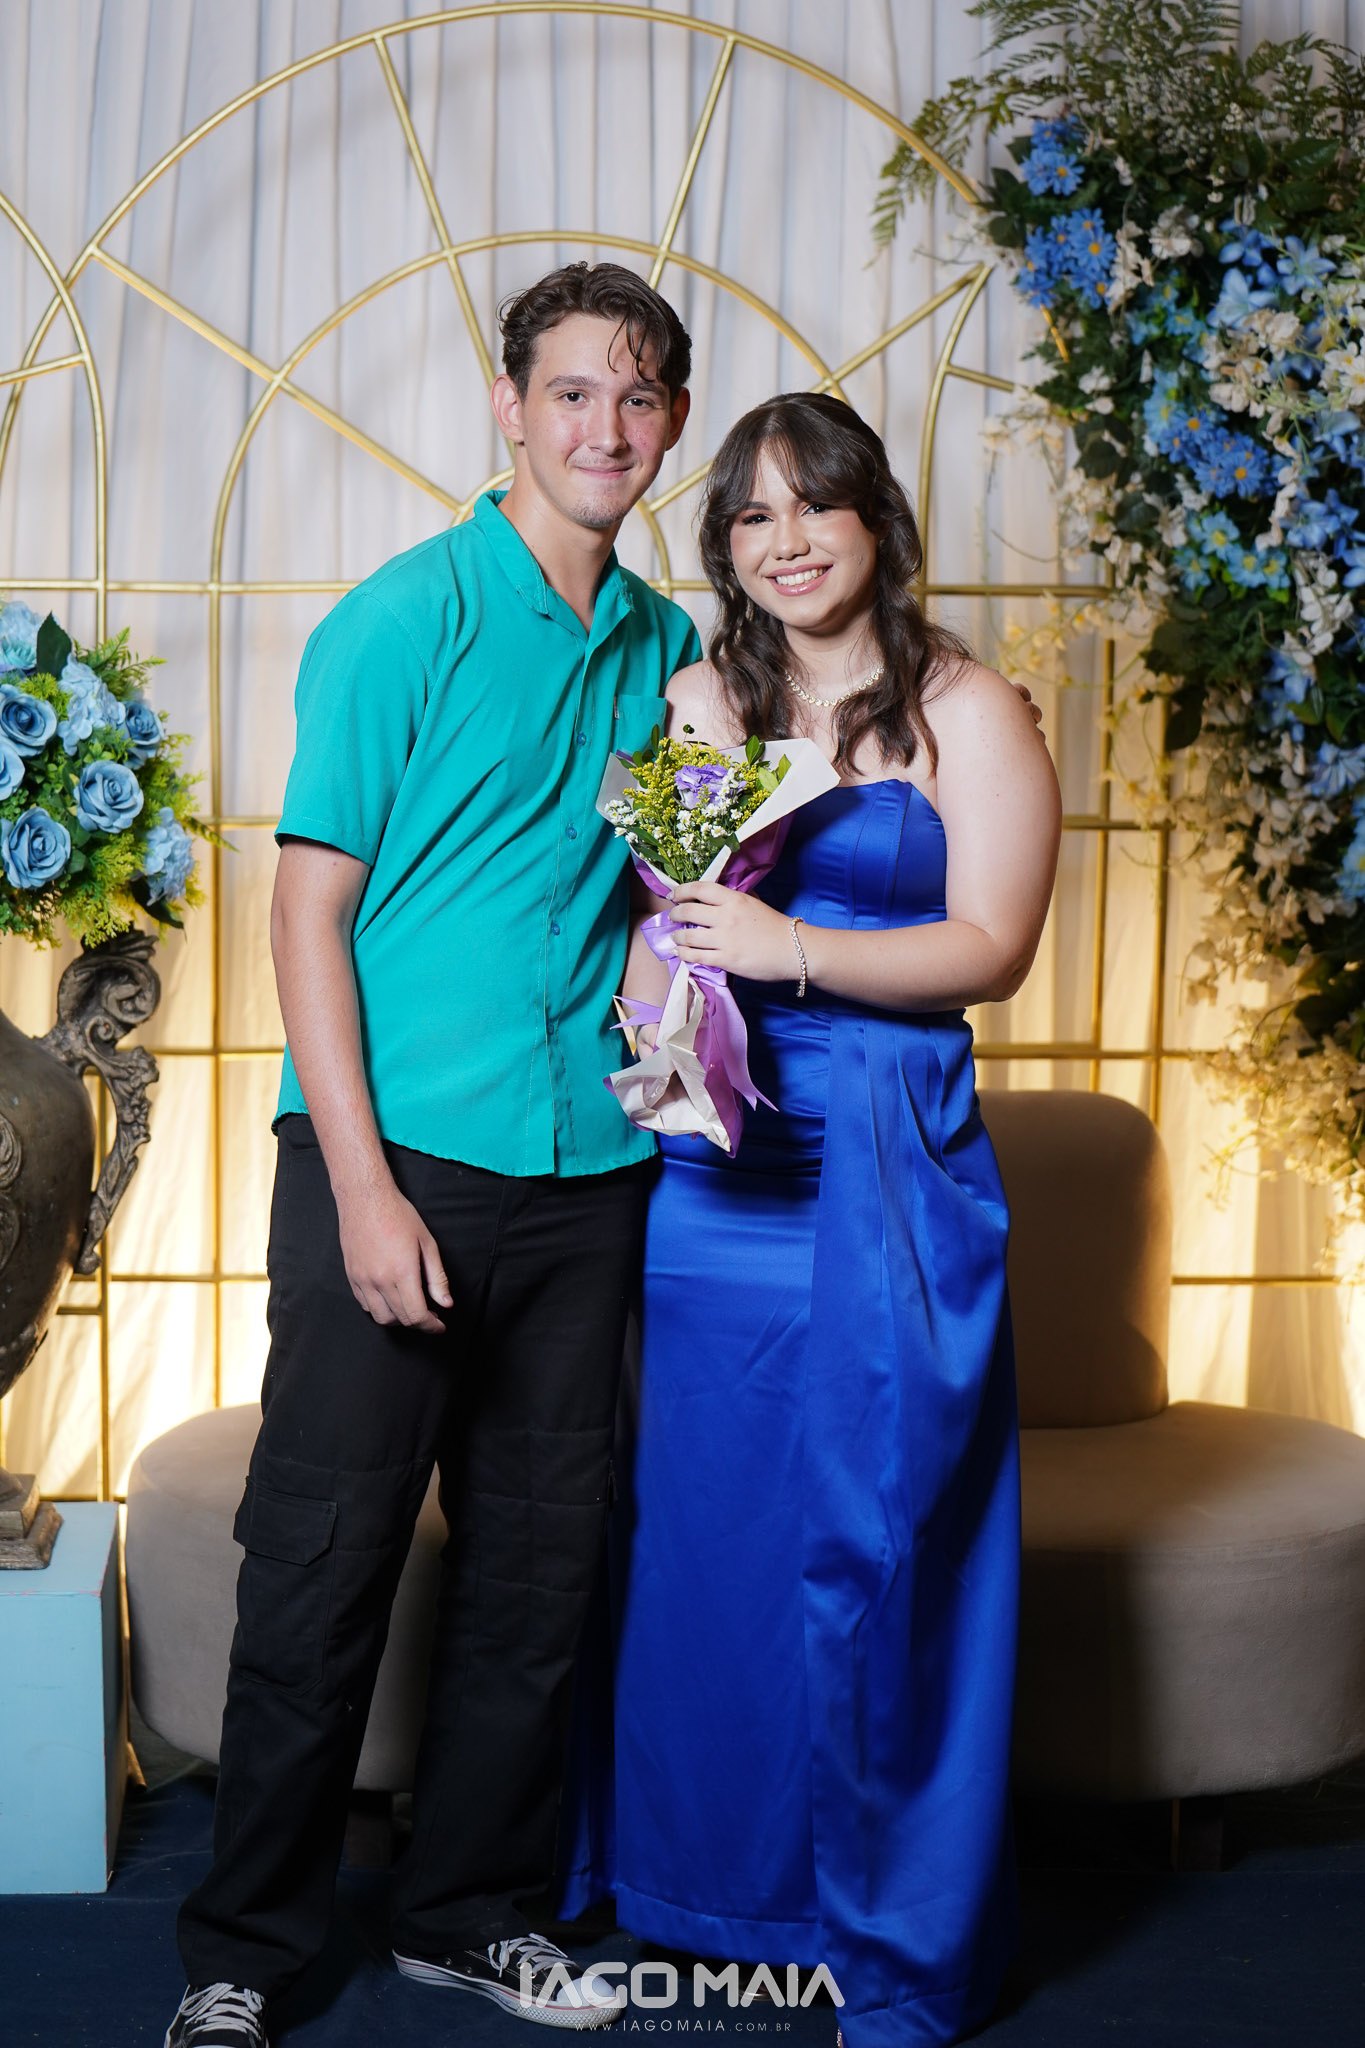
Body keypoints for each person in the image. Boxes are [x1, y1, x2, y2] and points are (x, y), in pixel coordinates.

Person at [162, 263, 702, 2048]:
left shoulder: (672, 659)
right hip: (394, 1164)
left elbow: (680, 896)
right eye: (571, 393)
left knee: (541, 1571)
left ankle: (470, 1914)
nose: (603, 428)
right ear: (508, 406)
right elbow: (303, 915)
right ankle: (240, 1956)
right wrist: (366, 1190)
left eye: (636, 399)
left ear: (671, 424)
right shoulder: (400, 619)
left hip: (590, 1174)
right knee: (321, 1565)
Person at [562, 392, 1060, 2048]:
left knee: (877, 1541)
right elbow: (664, 923)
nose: (784, 542)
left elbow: (991, 944)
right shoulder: (701, 699)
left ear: (872, 522)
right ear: (726, 547)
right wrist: (655, 1015)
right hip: (714, 1177)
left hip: (883, 1164)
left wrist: (799, 955)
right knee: (696, 1536)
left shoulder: (967, 710)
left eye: (813, 506)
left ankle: (883, 1930)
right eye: (751, 516)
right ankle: (706, 1895)